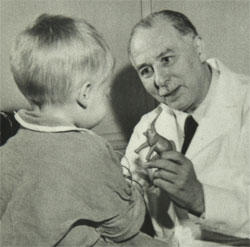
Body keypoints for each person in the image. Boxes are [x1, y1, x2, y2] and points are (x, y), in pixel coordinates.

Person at [0, 14, 168, 247]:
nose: (107, 97)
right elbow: (123, 226)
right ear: (85, 94)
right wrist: (138, 190)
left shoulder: (10, 148)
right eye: (105, 91)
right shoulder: (90, 149)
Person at [122, 9, 250, 245]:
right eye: (146, 70)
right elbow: (123, 203)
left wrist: (200, 198)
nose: (159, 80)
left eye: (167, 59)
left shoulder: (245, 103)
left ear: (198, 48)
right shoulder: (148, 126)